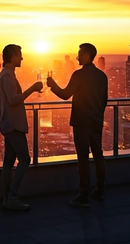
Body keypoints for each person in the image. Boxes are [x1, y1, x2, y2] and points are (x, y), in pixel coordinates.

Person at [47, 42, 108, 207]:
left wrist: (52, 86)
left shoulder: (78, 75)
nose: (77, 57)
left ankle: (84, 195)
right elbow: (104, 101)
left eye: (80, 54)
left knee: (83, 158)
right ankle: (100, 191)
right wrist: (97, 116)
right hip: (96, 121)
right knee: (98, 155)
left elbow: (66, 94)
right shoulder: (102, 76)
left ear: (87, 55)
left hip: (81, 122)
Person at [0, 44, 43, 211]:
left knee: (9, 161)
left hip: (9, 123)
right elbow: (13, 99)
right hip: (13, 124)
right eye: (20, 55)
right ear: (13, 56)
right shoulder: (7, 76)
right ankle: (12, 197)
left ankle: (7, 197)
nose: (22, 58)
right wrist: (33, 88)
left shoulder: (5, 74)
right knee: (24, 159)